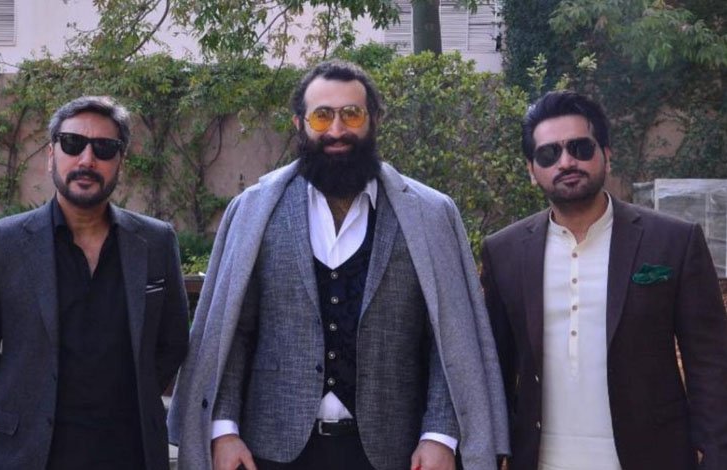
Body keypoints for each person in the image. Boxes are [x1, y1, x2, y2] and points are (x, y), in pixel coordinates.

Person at [168, 60, 509, 470]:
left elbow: (447, 338)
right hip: (271, 452)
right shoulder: (255, 211)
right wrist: (224, 429)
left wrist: (439, 434)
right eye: (322, 115)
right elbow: (233, 330)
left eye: (352, 114)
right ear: (299, 123)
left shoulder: (431, 214)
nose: (337, 129)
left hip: (395, 454)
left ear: (375, 120)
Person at [480, 90, 727, 470]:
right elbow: (494, 367)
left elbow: (710, 364)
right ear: (531, 170)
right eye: (548, 154)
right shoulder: (504, 252)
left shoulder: (673, 242)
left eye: (580, 147)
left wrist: (716, 455)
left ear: (607, 156)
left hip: (652, 458)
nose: (566, 162)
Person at [0, 96, 190, 469]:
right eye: (72, 144)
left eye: (104, 148)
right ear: (51, 155)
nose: (86, 160)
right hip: (27, 454)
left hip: (130, 452)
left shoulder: (156, 241)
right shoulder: (1, 243)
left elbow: (173, 341)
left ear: (120, 161)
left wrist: (132, 395)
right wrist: (14, 406)